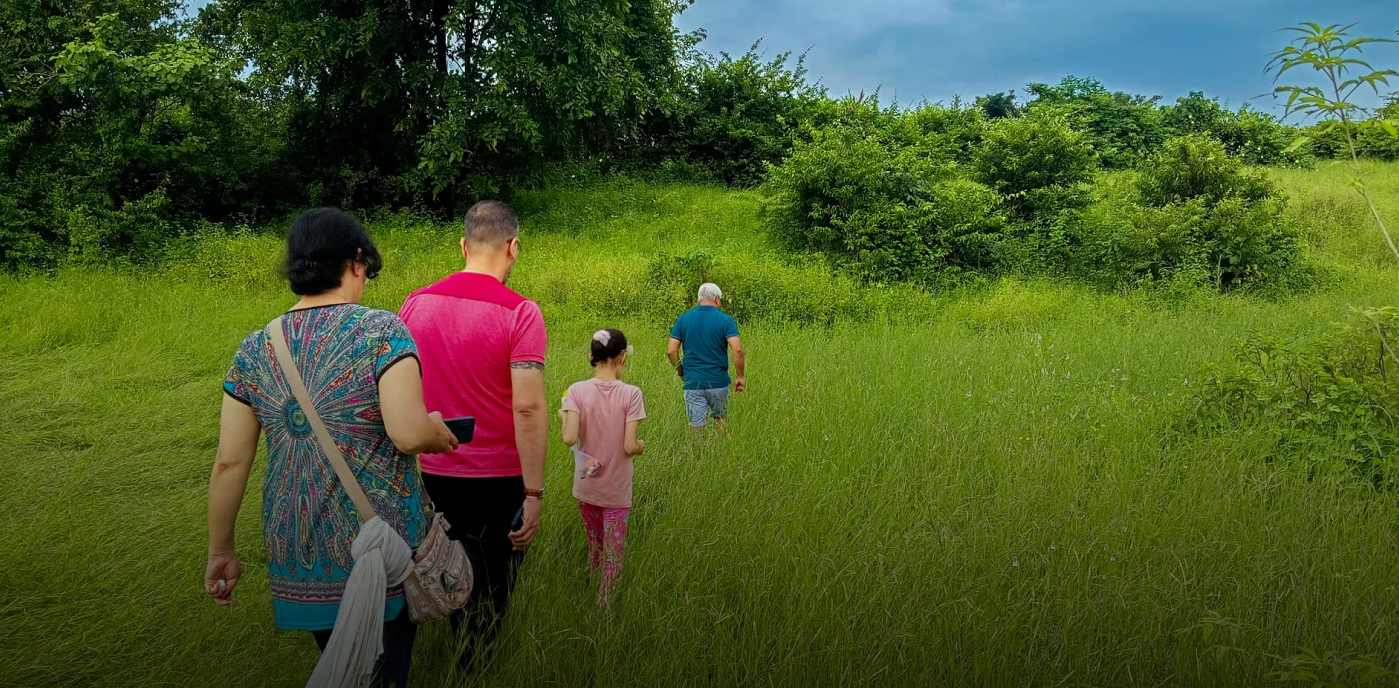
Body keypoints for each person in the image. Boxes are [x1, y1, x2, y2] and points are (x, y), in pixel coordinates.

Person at [206, 207, 458, 688]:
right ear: (357, 261)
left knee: (343, 668)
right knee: (382, 672)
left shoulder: (254, 348)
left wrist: (221, 550)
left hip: (298, 548)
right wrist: (436, 431)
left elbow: (230, 462)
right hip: (379, 545)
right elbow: (407, 433)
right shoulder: (382, 331)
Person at [397, 200, 547, 672]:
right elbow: (527, 406)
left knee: (439, 571)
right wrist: (535, 492)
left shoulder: (414, 304)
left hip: (430, 474)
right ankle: (473, 670)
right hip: (498, 481)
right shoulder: (521, 313)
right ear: (514, 248)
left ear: (463, 245)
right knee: (489, 592)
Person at [558, 329, 647, 606]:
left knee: (595, 546)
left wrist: (564, 416)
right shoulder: (632, 394)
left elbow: (569, 438)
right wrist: (641, 445)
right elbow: (629, 446)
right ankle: (603, 610)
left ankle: (593, 588)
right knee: (614, 554)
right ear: (622, 357)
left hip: (587, 488)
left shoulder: (576, 391)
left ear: (592, 357)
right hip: (616, 491)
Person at [667, 282, 745, 434]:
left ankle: (697, 454)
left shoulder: (683, 319)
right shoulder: (726, 320)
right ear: (717, 299)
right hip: (718, 380)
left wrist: (681, 371)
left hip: (693, 382)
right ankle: (718, 452)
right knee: (720, 418)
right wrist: (740, 376)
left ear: (698, 300)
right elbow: (738, 350)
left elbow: (671, 351)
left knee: (696, 423)